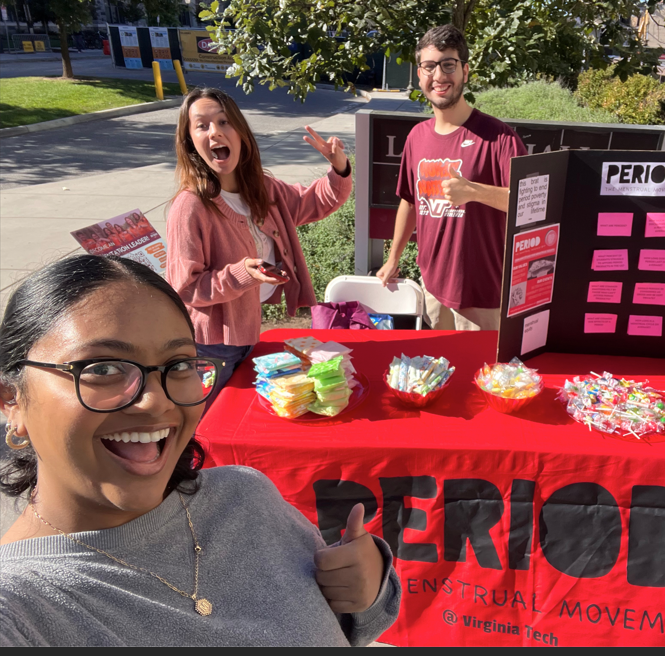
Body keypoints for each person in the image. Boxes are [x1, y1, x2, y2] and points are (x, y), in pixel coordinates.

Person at [0, 255, 400, 646]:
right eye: (103, 368)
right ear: (11, 401)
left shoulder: (245, 497)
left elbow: (345, 629)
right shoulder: (19, 607)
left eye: (178, 365)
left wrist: (366, 594)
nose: (156, 401)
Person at [167, 87, 352, 405]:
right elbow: (185, 288)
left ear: (240, 133)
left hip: (248, 332)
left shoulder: (263, 190)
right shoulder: (191, 206)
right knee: (204, 424)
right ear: (190, 142)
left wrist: (339, 169)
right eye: (202, 125)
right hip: (208, 345)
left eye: (224, 122)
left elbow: (315, 202)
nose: (215, 132)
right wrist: (242, 274)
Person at [376, 24, 526, 331]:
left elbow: (528, 204)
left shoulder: (499, 138)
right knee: (440, 373)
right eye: (429, 67)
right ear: (420, 75)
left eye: (449, 65)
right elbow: (409, 200)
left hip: (482, 296)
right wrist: (393, 258)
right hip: (433, 286)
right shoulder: (417, 137)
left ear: (465, 71)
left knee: (483, 377)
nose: (439, 76)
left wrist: (474, 191)